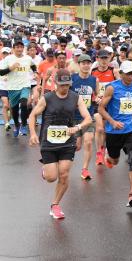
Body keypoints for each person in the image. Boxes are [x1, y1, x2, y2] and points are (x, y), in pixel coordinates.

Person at [28, 69, 92, 219]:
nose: (64, 87)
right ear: (55, 83)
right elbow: (32, 116)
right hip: (49, 141)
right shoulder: (47, 98)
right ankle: (46, 171)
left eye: (67, 85)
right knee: (51, 177)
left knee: (64, 174)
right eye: (61, 84)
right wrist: (32, 133)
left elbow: (88, 118)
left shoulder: (76, 98)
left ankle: (55, 205)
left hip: (67, 142)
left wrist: (77, 128)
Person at [98, 60, 132, 207]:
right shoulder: (112, 88)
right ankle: (109, 156)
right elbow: (101, 109)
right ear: (121, 74)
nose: (131, 76)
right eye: (128, 74)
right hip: (115, 130)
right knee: (115, 160)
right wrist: (112, 122)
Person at [70, 54, 99, 180]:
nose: (86, 65)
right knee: (77, 146)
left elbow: (97, 95)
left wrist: (98, 98)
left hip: (88, 116)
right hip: (74, 117)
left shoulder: (94, 80)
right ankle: (64, 162)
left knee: (88, 142)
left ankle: (85, 169)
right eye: (84, 63)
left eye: (88, 63)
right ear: (79, 65)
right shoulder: (72, 79)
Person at [0, 39, 36, 136]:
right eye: (17, 47)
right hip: (12, 87)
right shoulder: (8, 59)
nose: (19, 49)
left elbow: (33, 65)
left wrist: (35, 72)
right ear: (13, 48)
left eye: (21, 47)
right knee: (14, 109)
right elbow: (1, 72)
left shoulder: (28, 58)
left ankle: (24, 125)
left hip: (25, 85)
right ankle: (17, 124)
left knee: (24, 103)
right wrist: (10, 68)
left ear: (23, 48)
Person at [91, 49, 118, 166]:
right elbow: (89, 87)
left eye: (106, 58)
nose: (103, 61)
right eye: (101, 58)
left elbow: (118, 87)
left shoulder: (113, 72)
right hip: (97, 103)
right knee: (100, 128)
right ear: (97, 59)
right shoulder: (93, 72)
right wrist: (95, 97)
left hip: (109, 104)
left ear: (109, 59)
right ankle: (99, 153)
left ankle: (105, 150)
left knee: (107, 130)